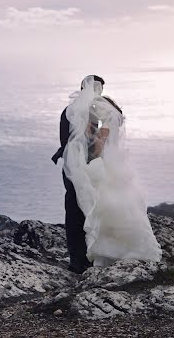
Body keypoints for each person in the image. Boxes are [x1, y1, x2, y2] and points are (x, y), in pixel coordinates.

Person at [52, 75, 161, 271]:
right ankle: (91, 256)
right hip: (94, 168)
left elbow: (67, 141)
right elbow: (103, 137)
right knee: (93, 210)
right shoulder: (97, 111)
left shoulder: (71, 112)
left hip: (78, 170)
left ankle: (79, 260)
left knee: (79, 212)